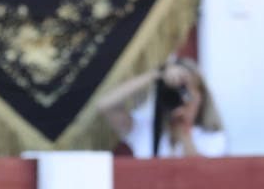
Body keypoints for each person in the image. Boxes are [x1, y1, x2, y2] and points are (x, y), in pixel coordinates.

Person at [97, 57, 227, 158]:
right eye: (173, 91)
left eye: (184, 90)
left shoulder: (213, 137)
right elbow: (105, 104)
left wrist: (183, 130)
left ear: (200, 96)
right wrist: (158, 74)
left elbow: (202, 172)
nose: (179, 97)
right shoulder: (144, 129)